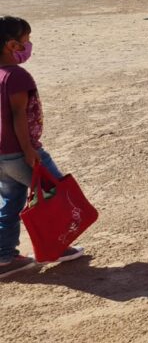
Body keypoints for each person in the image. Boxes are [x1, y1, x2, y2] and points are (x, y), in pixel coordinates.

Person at [0, 16, 85, 279]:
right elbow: (18, 115)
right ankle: (54, 246)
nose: (29, 46)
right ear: (12, 45)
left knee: (10, 201)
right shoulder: (16, 75)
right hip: (20, 152)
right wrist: (28, 150)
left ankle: (4, 257)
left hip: (2, 155)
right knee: (55, 195)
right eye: (26, 41)